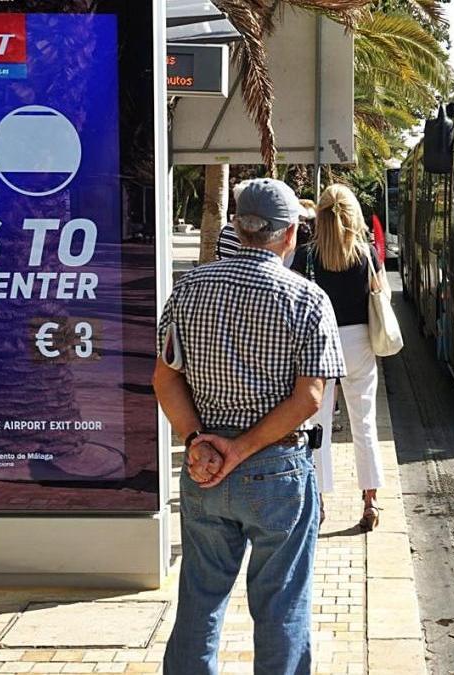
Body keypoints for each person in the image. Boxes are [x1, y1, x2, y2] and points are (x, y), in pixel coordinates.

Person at [155, 178, 346, 675]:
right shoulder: (307, 299)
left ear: (237, 229)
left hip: (205, 472)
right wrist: (240, 450)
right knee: (282, 603)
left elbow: (165, 379)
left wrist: (198, 442)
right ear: (288, 236)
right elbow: (309, 396)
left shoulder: (188, 290)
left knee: (199, 598)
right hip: (277, 473)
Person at [292, 185, 385, 532]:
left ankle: (318, 502)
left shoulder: (307, 255)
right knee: (364, 422)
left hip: (320, 343)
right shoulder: (365, 253)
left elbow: (297, 300)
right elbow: (379, 295)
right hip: (359, 341)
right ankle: (370, 500)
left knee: (317, 427)